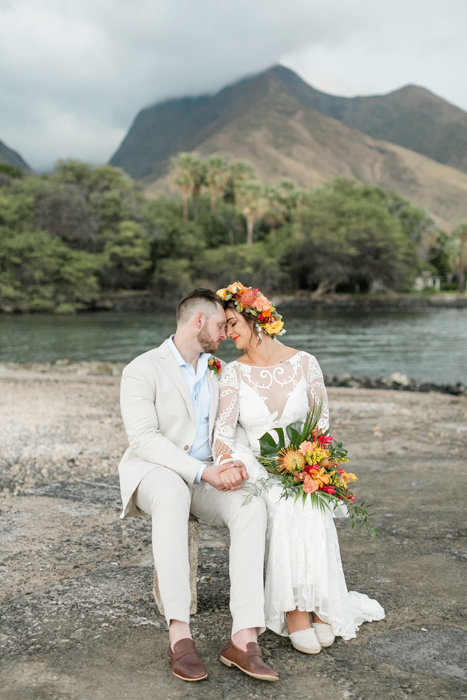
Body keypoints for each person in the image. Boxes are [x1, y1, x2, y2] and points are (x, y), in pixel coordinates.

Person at [213, 282, 385, 654]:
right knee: (286, 498)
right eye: (224, 327)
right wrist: (233, 463)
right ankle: (294, 610)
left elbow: (321, 423)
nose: (227, 333)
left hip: (303, 459)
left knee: (308, 496)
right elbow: (222, 434)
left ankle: (319, 606)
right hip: (259, 467)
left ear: (256, 318)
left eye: (231, 324)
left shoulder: (305, 363)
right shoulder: (232, 373)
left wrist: (308, 462)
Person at [118, 288, 279, 682]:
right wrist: (203, 471)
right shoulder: (141, 368)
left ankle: (243, 638)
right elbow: (144, 439)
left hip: (208, 471)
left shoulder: (219, 370)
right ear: (198, 322)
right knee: (172, 494)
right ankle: (179, 635)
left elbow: (229, 430)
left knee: (249, 505)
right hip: (155, 471)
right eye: (221, 325)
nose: (225, 332)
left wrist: (229, 466)